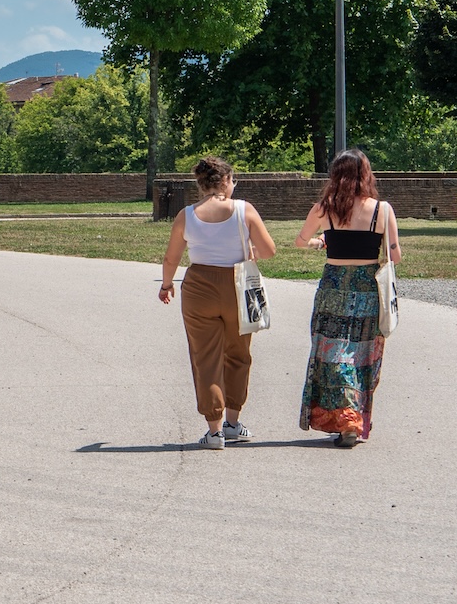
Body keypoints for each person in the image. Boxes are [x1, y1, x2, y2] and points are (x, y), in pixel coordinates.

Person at [159, 156, 278, 450]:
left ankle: (214, 431)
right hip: (237, 285)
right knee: (238, 354)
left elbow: (171, 257)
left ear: (200, 185)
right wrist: (250, 250)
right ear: (226, 181)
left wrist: (166, 285)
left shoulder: (186, 215)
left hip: (199, 286)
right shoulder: (244, 210)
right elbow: (269, 251)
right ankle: (233, 423)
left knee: (205, 357)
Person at [295, 148, 401, 448]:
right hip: (366, 286)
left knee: (332, 351)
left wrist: (319, 242)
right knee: (359, 352)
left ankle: (345, 418)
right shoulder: (383, 210)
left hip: (332, 285)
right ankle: (351, 418)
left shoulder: (323, 208)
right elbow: (395, 255)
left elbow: (300, 240)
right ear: (365, 175)